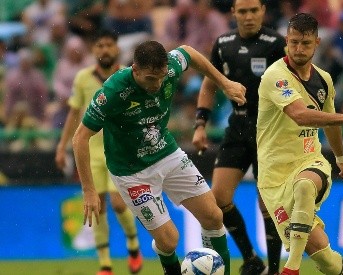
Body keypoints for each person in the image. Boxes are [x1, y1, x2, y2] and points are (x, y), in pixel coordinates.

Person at [72, 40, 246, 275]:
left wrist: (224, 83)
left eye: (161, 77)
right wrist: (89, 191)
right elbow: (80, 138)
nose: (157, 84)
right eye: (150, 79)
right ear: (135, 69)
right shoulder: (112, 91)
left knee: (214, 216)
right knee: (169, 240)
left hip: (167, 154)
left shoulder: (171, 66)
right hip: (131, 172)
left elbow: (189, 51)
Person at [256, 13, 343, 275]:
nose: (298, 49)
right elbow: (300, 115)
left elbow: (330, 123)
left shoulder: (324, 79)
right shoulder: (275, 76)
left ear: (317, 42)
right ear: (286, 43)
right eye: (293, 43)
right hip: (273, 176)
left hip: (308, 160)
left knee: (305, 185)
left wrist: (340, 159)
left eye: (305, 43)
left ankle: (291, 268)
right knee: (323, 255)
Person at [192, 0, 285, 274]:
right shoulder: (223, 44)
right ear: (233, 13)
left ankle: (276, 269)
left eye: (253, 10)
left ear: (263, 12)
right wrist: (200, 124)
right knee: (218, 198)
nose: (248, 17)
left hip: (269, 131)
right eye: (242, 11)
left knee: (266, 201)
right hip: (238, 128)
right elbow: (209, 84)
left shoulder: (277, 44)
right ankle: (252, 259)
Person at [55, 30, 143, 275]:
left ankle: (133, 245)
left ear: (117, 49)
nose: (104, 50)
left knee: (118, 204)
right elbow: (74, 113)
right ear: (93, 50)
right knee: (98, 207)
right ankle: (105, 264)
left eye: (108, 45)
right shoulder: (82, 78)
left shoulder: (127, 75)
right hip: (91, 154)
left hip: (119, 151)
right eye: (99, 45)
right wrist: (62, 147)